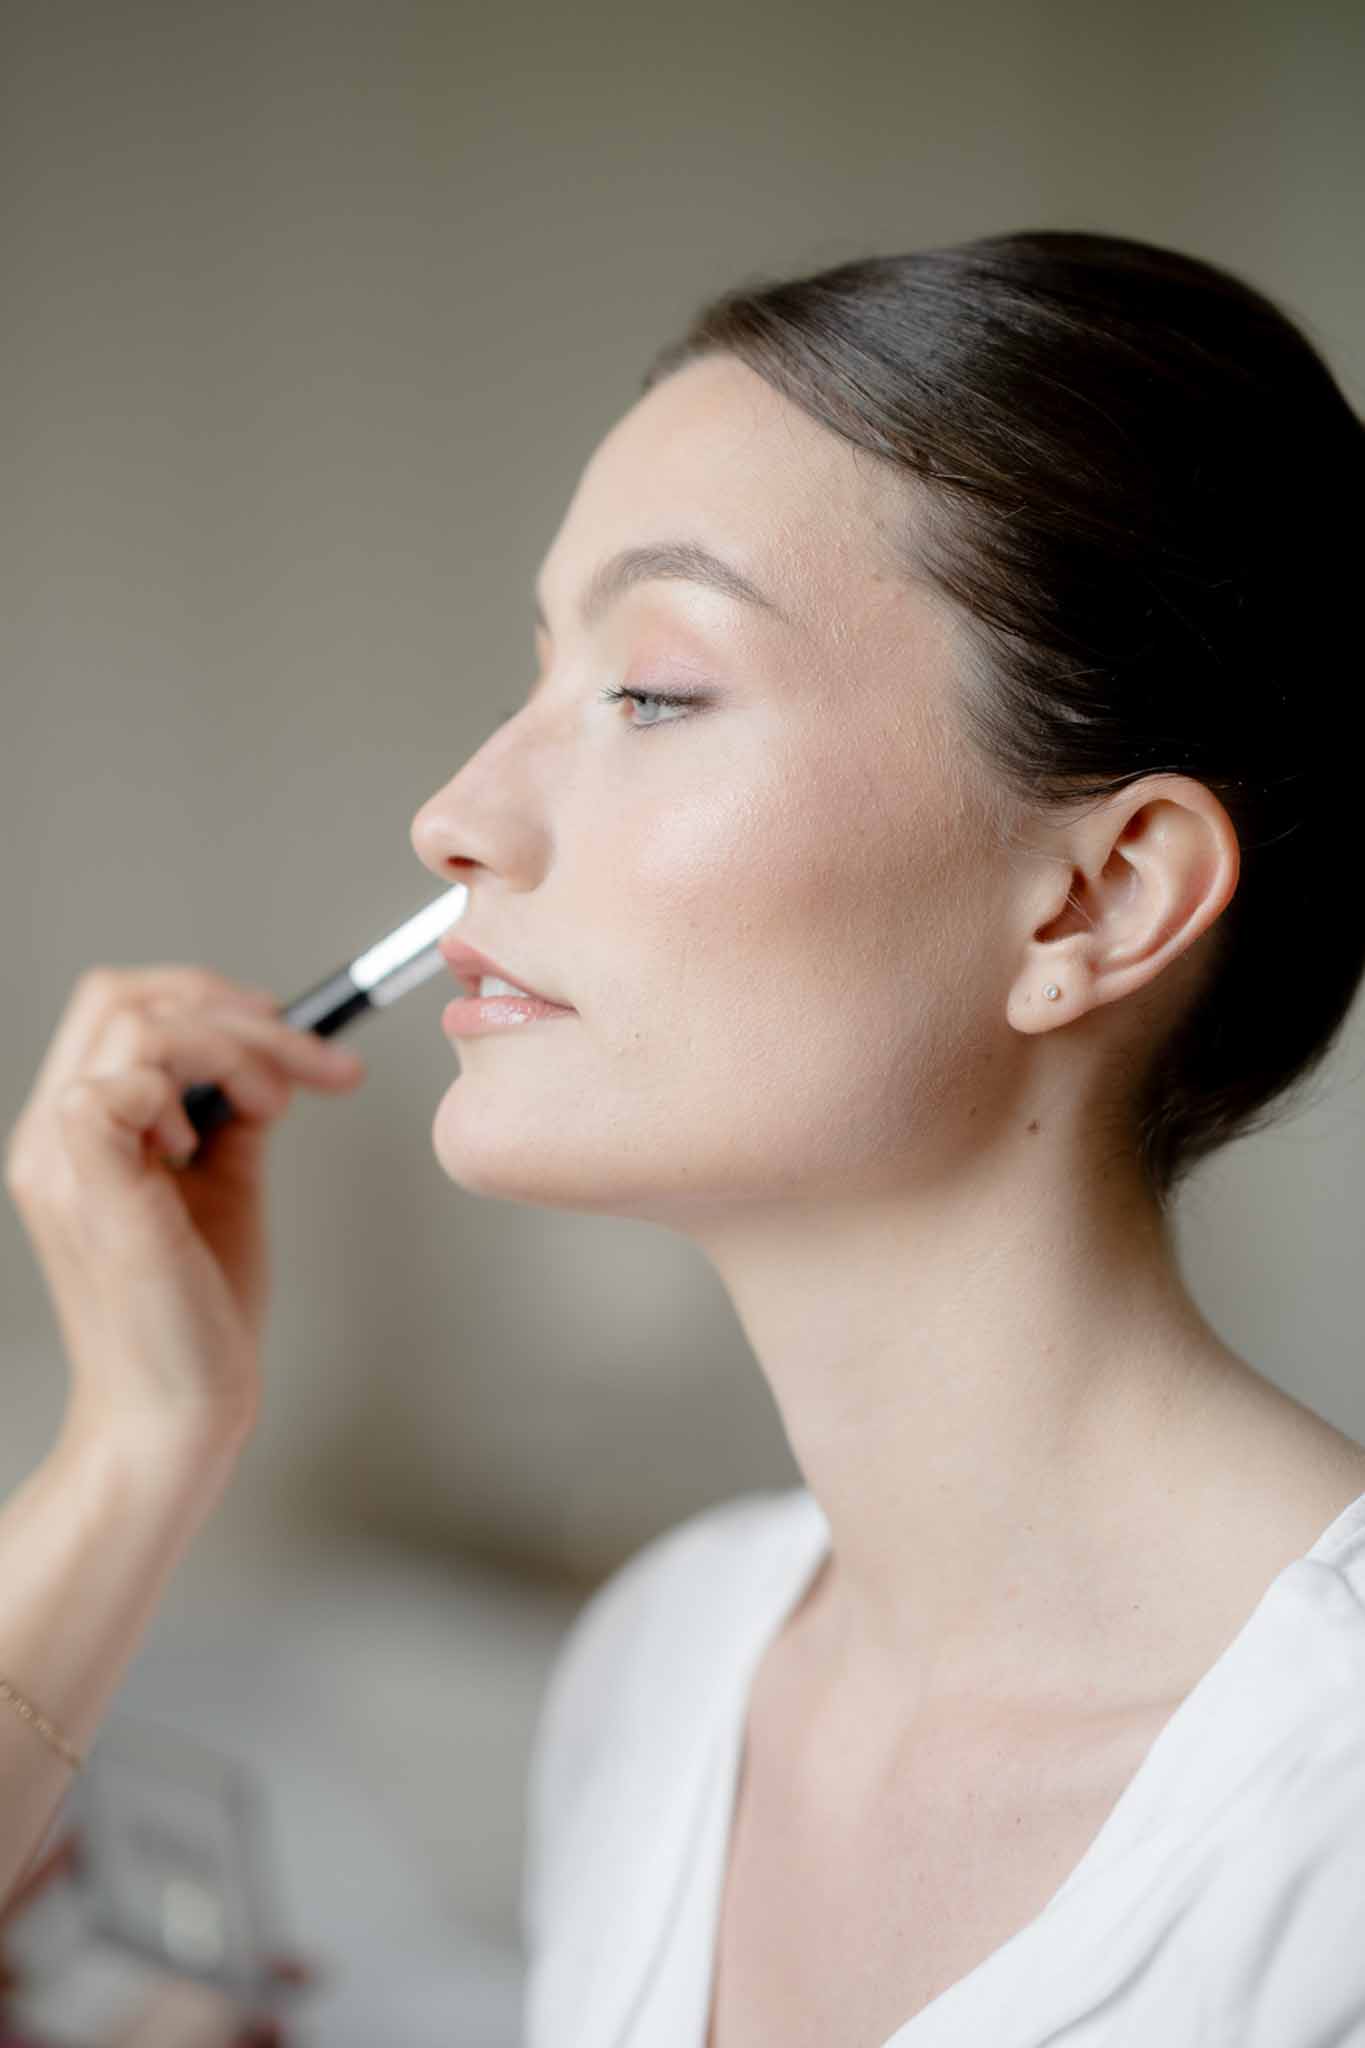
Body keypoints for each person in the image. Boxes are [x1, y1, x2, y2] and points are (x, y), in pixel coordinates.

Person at [4, 227, 1365, 2046]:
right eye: (537, 674)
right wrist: (144, 1434)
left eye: (651, 689)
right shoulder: (666, 1664)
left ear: (1097, 902)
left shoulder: (1327, 1815)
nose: (455, 814)